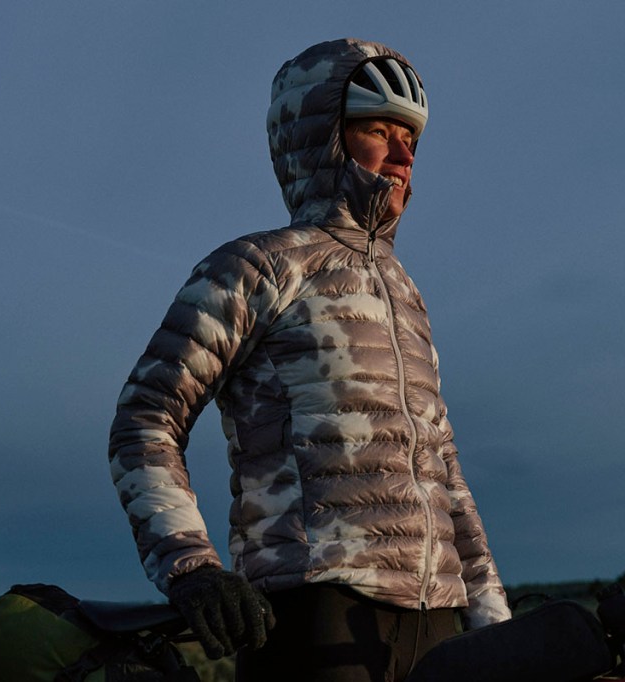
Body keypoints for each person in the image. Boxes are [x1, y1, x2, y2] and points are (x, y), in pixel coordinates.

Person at [108, 38, 512, 681]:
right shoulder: (257, 267)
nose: (405, 154)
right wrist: (191, 567)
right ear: (320, 138)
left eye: (411, 136)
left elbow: (444, 466)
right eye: (379, 130)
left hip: (438, 622)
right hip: (311, 615)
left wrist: (494, 623)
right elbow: (147, 418)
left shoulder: (405, 293)